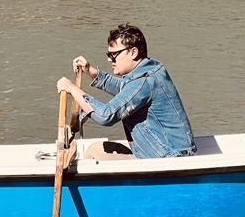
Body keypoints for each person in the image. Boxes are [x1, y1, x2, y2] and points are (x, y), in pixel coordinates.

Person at [56, 23, 195, 160]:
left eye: (114, 54)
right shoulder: (151, 69)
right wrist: (91, 71)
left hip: (168, 157)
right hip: (168, 150)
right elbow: (126, 90)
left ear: (133, 52)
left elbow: (106, 116)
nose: (109, 59)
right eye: (108, 54)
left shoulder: (143, 81)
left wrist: (72, 89)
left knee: (93, 155)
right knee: (95, 149)